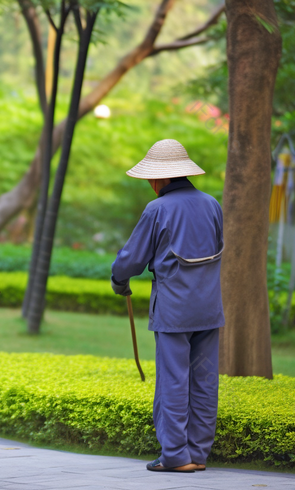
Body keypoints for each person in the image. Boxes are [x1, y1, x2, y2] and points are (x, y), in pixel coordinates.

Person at [111, 139, 224, 473]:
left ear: (159, 179)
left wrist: (119, 281)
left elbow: (130, 259)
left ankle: (175, 456)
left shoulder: (157, 209)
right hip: (208, 308)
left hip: (174, 312)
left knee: (174, 381)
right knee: (204, 380)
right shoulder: (212, 204)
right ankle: (199, 454)